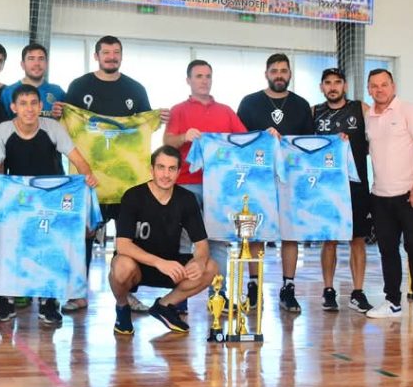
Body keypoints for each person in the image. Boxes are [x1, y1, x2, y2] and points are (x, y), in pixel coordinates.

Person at [64, 35, 166, 314]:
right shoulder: (79, 86)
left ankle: (128, 295)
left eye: (116, 52)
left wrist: (157, 118)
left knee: (128, 242)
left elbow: (146, 126)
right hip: (89, 182)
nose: (111, 56)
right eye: (106, 52)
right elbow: (66, 124)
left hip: (127, 186)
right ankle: (78, 293)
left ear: (122, 56)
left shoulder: (135, 88)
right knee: (82, 237)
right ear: (96, 56)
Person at [0, 84, 97, 324]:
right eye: (23, 104)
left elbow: (77, 159)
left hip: (51, 198)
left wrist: (87, 176)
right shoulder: (4, 130)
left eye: (34, 103)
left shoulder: (52, 128)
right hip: (19, 199)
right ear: (14, 107)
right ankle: (7, 301)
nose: (29, 109)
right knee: (12, 248)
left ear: (40, 106)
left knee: (50, 250)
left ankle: (49, 303)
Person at [108, 146, 216, 336]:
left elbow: (201, 245)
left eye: (171, 169)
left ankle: (165, 306)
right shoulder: (133, 196)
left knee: (211, 267)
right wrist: (159, 263)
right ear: (152, 170)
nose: (166, 174)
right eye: (161, 167)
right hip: (138, 267)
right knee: (121, 265)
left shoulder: (187, 199)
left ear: (178, 172)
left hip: (171, 267)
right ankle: (122, 308)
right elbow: (122, 245)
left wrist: (199, 261)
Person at [162, 59, 245, 303]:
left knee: (218, 240)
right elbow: (167, 142)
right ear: (189, 80)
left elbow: (243, 142)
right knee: (185, 242)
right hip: (186, 183)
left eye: (208, 76)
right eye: (199, 76)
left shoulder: (226, 111)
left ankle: (218, 295)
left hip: (220, 187)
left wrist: (268, 135)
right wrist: (183, 136)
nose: (204, 80)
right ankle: (180, 299)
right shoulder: (178, 110)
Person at [237, 53, 313, 314]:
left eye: (283, 70)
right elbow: (239, 141)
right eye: (274, 70)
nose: (279, 74)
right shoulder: (249, 103)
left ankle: (288, 287)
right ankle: (254, 286)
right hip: (257, 180)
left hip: (290, 180)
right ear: (266, 73)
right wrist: (263, 136)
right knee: (255, 232)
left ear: (290, 74)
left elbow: (308, 147)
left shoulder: (302, 105)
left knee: (290, 234)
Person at [364, 69, 413, 326]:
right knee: (387, 251)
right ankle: (392, 302)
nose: (379, 89)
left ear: (393, 86)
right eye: (374, 86)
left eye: (384, 84)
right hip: (380, 196)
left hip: (411, 194)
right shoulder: (369, 117)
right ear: (369, 89)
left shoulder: (410, 110)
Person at [313, 67, 374, 313]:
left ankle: (357, 292)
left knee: (357, 240)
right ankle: (329, 290)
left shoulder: (361, 109)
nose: (332, 87)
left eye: (337, 82)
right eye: (327, 83)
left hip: (357, 186)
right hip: (326, 189)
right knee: (329, 240)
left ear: (345, 86)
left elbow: (380, 140)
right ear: (322, 87)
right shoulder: (314, 113)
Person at [0, 43, 66, 117]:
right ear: (22, 65)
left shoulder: (58, 92)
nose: (37, 63)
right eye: (31, 59)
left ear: (46, 64)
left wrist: (61, 117)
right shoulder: (8, 92)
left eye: (41, 59)